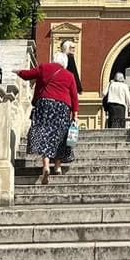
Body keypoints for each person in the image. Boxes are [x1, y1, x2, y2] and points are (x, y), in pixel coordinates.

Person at [17, 54, 80, 184]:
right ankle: (57, 167)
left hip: (44, 103)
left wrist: (18, 72)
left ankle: (46, 165)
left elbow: (28, 74)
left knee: (44, 134)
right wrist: (75, 113)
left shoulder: (44, 67)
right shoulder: (69, 75)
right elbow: (74, 95)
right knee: (60, 135)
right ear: (65, 63)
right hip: (62, 107)